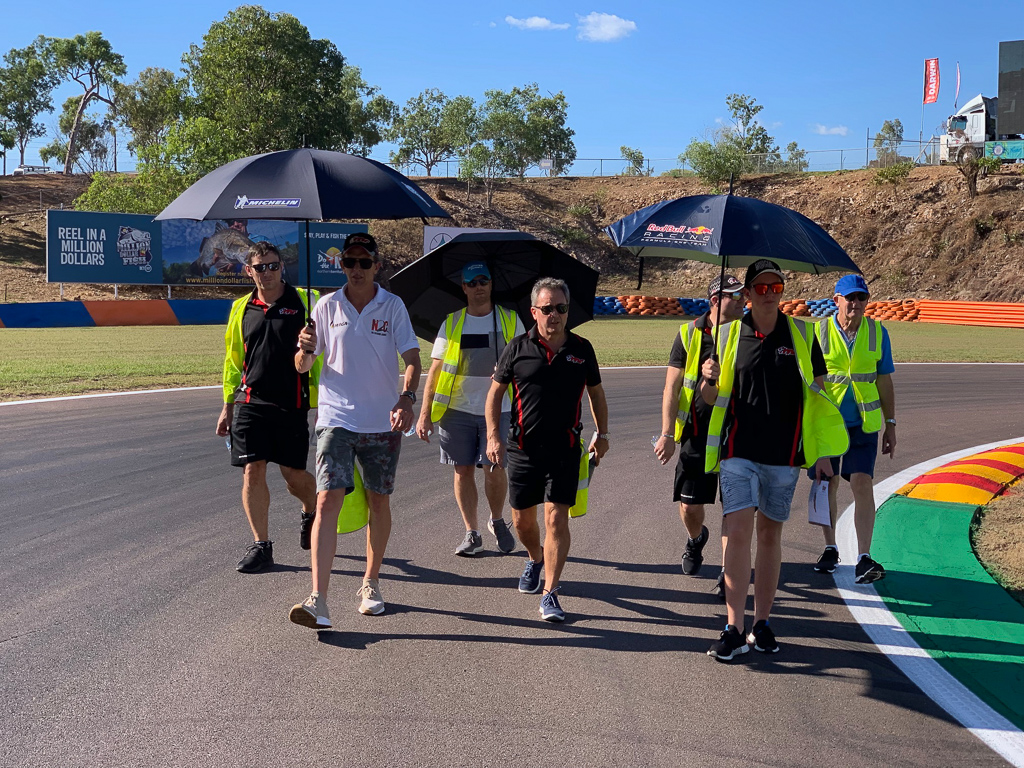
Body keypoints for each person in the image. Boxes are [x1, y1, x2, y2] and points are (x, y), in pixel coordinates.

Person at [700, 259, 848, 661]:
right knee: (739, 530)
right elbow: (709, 399)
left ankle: (761, 624)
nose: (769, 294)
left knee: (770, 537)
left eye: (776, 287)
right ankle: (733, 625)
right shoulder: (728, 335)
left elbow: (817, 399)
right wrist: (707, 378)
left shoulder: (801, 334)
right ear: (746, 295)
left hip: (784, 457)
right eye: (761, 288)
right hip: (738, 453)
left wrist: (820, 457)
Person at [288, 232, 421, 629]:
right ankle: (318, 599)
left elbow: (412, 358)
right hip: (336, 419)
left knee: (379, 501)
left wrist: (407, 398)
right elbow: (301, 366)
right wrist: (306, 347)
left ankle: (371, 582)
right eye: (350, 262)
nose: (357, 269)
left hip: (383, 420)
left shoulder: (392, 305)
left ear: (377, 265)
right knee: (327, 499)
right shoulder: (325, 306)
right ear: (341, 265)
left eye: (365, 262)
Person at [485, 277, 610, 622]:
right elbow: (495, 394)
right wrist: (493, 436)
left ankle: (551, 592)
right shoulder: (516, 347)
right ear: (533, 312)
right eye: (547, 308)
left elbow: (596, 394)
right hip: (523, 448)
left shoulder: (582, 349)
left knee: (555, 518)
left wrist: (603, 432)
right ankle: (535, 558)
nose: (554, 314)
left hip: (566, 448)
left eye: (561, 308)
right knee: (523, 522)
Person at [215, 241, 320, 573]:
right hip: (251, 400)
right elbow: (234, 360)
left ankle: (311, 509)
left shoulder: (308, 300)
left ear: (282, 267)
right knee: (253, 469)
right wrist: (227, 404)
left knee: (292, 475)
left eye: (273, 266)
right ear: (249, 271)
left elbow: (333, 346)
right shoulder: (240, 308)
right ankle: (262, 545)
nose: (267, 273)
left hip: (293, 401)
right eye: (260, 267)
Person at [416, 261, 525, 556]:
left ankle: (497, 520)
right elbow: (435, 373)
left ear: (491, 284)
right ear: (463, 287)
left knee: (494, 466)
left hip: (499, 408)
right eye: (472, 282)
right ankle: (471, 532)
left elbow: (527, 363)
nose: (479, 287)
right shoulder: (451, 323)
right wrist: (424, 413)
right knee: (462, 469)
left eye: (483, 281)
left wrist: (506, 368)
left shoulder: (511, 320)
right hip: (457, 409)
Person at [654, 275, 747, 589]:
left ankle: (727, 573)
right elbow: (671, 387)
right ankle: (696, 539)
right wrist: (667, 434)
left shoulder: (749, 333)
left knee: (734, 510)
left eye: (743, 295)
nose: (743, 300)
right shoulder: (688, 333)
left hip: (737, 436)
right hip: (696, 436)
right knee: (690, 507)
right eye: (735, 296)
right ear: (715, 301)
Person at [810, 274, 896, 583]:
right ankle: (830, 548)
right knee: (827, 483)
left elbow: (884, 379)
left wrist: (891, 423)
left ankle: (864, 557)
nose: (856, 303)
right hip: (827, 425)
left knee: (862, 482)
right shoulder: (818, 333)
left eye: (862, 297)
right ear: (836, 301)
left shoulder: (877, 332)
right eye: (850, 298)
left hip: (864, 423)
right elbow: (808, 385)